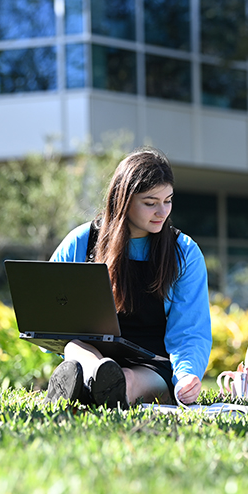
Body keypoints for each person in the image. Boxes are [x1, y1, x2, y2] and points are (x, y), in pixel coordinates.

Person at [44, 146, 212, 409]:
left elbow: (189, 331)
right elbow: (50, 313)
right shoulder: (82, 241)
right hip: (93, 353)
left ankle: (83, 389)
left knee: (127, 380)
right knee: (77, 350)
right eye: (150, 203)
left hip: (151, 364)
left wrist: (186, 376)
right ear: (123, 200)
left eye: (168, 200)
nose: (162, 212)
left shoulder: (184, 251)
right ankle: (89, 379)